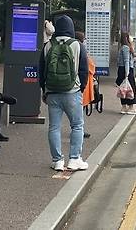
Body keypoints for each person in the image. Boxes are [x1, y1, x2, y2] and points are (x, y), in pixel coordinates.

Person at [39, 15, 89, 171]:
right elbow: (84, 70)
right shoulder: (78, 45)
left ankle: (57, 160)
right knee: (77, 126)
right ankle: (74, 159)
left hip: (52, 92)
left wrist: (44, 91)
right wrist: (80, 88)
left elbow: (41, 71)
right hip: (72, 92)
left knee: (54, 127)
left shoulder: (47, 46)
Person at [75, 31, 94, 139]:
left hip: (73, 83)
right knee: (79, 112)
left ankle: (78, 130)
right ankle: (78, 131)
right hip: (82, 84)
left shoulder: (71, 48)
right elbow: (90, 67)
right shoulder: (81, 50)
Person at [117, 32, 136, 115]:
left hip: (122, 70)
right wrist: (127, 73)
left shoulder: (122, 47)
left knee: (124, 88)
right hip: (127, 70)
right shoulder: (126, 48)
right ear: (126, 38)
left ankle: (124, 107)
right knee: (131, 88)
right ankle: (131, 107)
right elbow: (126, 61)